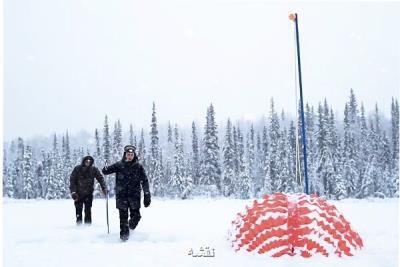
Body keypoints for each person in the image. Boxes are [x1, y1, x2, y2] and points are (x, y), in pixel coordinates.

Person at [102, 145, 151, 241]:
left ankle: (129, 230)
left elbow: (144, 180)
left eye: (131, 154)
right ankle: (124, 237)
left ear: (134, 155)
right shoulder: (119, 165)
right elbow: (106, 171)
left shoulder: (138, 166)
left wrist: (147, 194)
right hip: (122, 196)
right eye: (128, 154)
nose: (130, 156)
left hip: (134, 196)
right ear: (125, 155)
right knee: (123, 218)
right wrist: (105, 169)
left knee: (136, 216)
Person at [69, 155, 108, 225]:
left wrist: (104, 187)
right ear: (84, 161)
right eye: (86, 161)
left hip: (88, 193)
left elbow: (100, 178)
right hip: (78, 194)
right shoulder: (77, 169)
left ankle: (88, 227)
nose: (88, 162)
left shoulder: (94, 169)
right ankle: (79, 226)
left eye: (89, 161)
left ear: (91, 162)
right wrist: (73, 192)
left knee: (88, 211)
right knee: (78, 211)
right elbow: (72, 181)